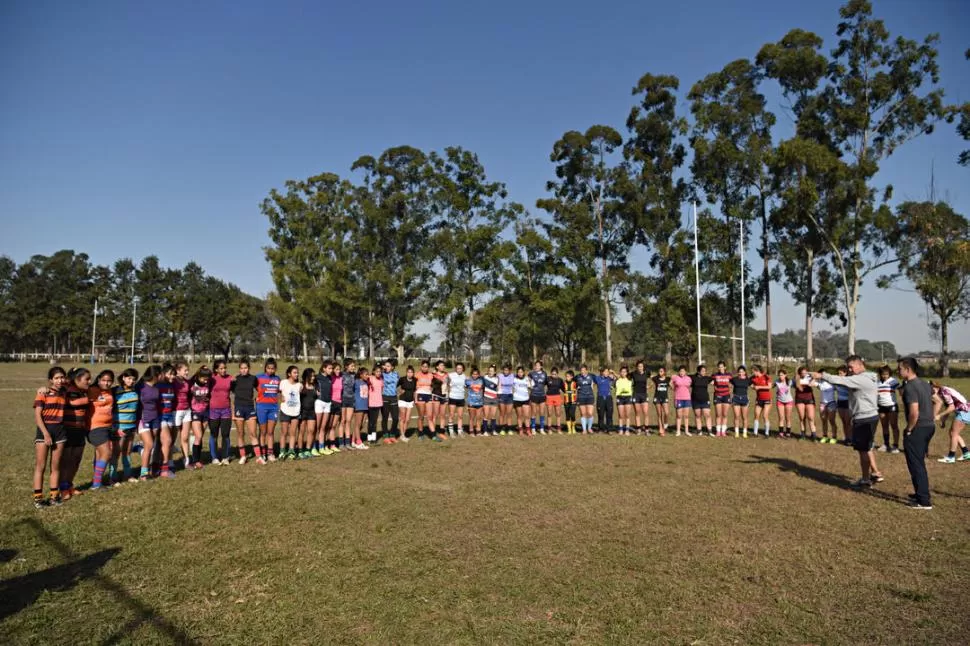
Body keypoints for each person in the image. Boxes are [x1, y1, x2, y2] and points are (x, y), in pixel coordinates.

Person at [813, 356, 884, 488]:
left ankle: (865, 479)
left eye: (851, 367)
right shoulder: (869, 376)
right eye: (848, 367)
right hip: (870, 416)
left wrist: (821, 375)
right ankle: (875, 472)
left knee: (863, 450)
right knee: (867, 447)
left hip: (864, 418)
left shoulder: (860, 378)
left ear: (860, 364)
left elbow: (840, 380)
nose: (849, 370)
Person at [898, 358, 935, 509]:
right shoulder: (925, 384)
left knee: (916, 464)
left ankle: (923, 501)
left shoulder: (910, 387)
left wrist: (909, 429)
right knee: (918, 462)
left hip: (917, 429)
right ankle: (921, 493)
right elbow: (938, 400)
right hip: (929, 427)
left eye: (899, 369)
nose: (898, 372)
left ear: (908, 369)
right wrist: (932, 416)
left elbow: (914, 412)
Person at [33, 367, 67, 507]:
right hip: (44, 430)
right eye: (57, 378)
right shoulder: (43, 393)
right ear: (51, 380)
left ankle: (54, 496)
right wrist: (46, 433)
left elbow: (75, 379)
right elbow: (37, 416)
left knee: (56, 466)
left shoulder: (65, 392)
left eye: (62, 377)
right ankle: (38, 499)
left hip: (60, 431)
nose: (60, 380)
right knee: (40, 466)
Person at [59, 368, 92, 498]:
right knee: (66, 460)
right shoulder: (68, 390)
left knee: (76, 460)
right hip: (68, 430)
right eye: (87, 379)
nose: (89, 381)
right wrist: (86, 401)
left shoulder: (84, 392)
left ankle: (69, 485)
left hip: (80, 431)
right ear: (77, 379)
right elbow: (68, 402)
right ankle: (62, 488)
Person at [87, 370, 116, 488]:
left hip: (107, 427)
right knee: (106, 453)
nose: (106, 383)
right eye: (104, 380)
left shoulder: (110, 391)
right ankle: (96, 484)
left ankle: (97, 481)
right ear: (98, 380)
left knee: (100, 454)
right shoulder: (91, 390)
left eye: (109, 381)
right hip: (95, 427)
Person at [111, 368, 139, 483]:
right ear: (123, 378)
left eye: (133, 379)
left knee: (127, 452)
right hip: (119, 427)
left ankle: (127, 475)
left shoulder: (136, 390)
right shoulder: (115, 391)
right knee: (116, 452)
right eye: (129, 378)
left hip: (131, 427)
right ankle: (112, 477)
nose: (131, 381)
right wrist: (114, 427)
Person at [932, 382, 970, 463]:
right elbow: (948, 407)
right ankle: (966, 453)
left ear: (935, 387)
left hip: (964, 410)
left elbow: (951, 407)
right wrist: (943, 420)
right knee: (953, 433)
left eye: (931, 389)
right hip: (964, 410)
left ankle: (951, 457)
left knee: (953, 433)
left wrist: (939, 415)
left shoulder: (944, 391)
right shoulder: (942, 392)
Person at [233, 360, 262, 463]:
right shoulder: (235, 380)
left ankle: (259, 457)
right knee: (240, 433)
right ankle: (243, 456)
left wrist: (258, 397)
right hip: (239, 408)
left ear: (249, 368)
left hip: (250, 408)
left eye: (245, 368)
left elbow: (260, 390)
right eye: (241, 368)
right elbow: (231, 391)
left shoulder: (253, 379)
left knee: (253, 433)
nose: (243, 370)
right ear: (239, 369)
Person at [135, 366, 161, 481]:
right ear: (155, 375)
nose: (162, 376)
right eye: (160, 374)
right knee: (149, 444)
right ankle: (143, 473)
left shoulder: (157, 387)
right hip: (143, 419)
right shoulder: (140, 387)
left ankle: (151, 467)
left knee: (152, 445)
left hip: (155, 418)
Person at [207, 360, 234, 465]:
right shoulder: (211, 379)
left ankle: (225, 457)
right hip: (213, 410)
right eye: (221, 368)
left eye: (225, 368)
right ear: (216, 369)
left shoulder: (230, 378)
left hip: (226, 410)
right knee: (214, 434)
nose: (223, 370)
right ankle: (214, 457)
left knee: (225, 434)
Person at [256, 359, 281, 462]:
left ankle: (270, 453)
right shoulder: (258, 378)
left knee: (270, 432)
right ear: (265, 368)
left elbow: (281, 391)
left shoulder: (277, 379)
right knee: (263, 432)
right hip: (261, 407)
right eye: (268, 368)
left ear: (275, 369)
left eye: (272, 368)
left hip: (273, 408)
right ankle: (262, 453)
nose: (270, 370)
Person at [189, 367, 213, 468]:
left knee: (200, 436)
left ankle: (198, 458)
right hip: (195, 412)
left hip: (206, 412)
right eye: (204, 378)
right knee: (198, 436)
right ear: (198, 376)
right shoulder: (192, 383)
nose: (206, 380)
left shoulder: (208, 383)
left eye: (207, 378)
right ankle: (195, 461)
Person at [278, 365, 302, 459]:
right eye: (294, 372)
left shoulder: (299, 385)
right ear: (289, 374)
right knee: (284, 433)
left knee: (293, 433)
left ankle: (291, 451)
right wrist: (281, 397)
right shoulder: (283, 382)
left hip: (296, 412)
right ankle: (282, 451)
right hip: (285, 411)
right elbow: (279, 392)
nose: (297, 374)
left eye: (297, 372)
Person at [876, 365, 901, 453]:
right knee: (884, 426)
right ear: (880, 374)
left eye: (887, 374)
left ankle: (895, 445)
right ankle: (886, 444)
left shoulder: (893, 381)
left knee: (894, 426)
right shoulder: (877, 382)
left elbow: (901, 390)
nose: (885, 376)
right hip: (881, 406)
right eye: (883, 374)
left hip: (892, 406)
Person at [173, 362, 193, 468]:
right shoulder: (173, 381)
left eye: (187, 370)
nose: (187, 372)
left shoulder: (187, 382)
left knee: (185, 438)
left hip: (187, 411)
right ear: (178, 370)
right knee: (171, 439)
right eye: (185, 370)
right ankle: (168, 462)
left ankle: (186, 461)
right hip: (176, 412)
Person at [313, 360, 334, 456]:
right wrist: (315, 391)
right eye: (329, 368)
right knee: (316, 427)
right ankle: (313, 447)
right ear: (324, 368)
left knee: (323, 427)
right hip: (319, 403)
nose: (331, 370)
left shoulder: (330, 378)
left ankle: (321, 447)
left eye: (332, 368)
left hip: (328, 403)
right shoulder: (317, 377)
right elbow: (308, 383)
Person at [814, 372, 838, 444]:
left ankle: (834, 437)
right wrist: (814, 377)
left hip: (831, 403)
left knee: (832, 420)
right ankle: (825, 436)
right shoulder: (820, 382)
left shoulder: (833, 383)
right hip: (823, 404)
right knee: (824, 420)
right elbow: (811, 383)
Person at [298, 368, 317, 458]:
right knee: (301, 431)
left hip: (312, 411)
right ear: (306, 376)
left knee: (311, 431)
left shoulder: (315, 386)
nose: (313, 378)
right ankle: (300, 451)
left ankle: (308, 450)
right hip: (302, 411)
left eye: (314, 376)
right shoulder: (301, 386)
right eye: (311, 376)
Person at [795, 367, 818, 441]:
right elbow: (799, 387)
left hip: (809, 399)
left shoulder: (810, 377)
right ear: (799, 373)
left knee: (811, 417)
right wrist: (797, 377)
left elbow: (815, 377)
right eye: (802, 373)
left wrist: (809, 373)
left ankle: (814, 435)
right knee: (802, 417)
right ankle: (803, 435)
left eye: (805, 372)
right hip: (799, 399)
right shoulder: (796, 378)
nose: (804, 374)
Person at [690, 365, 713, 436]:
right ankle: (699, 431)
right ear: (698, 371)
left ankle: (709, 431)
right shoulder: (693, 377)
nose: (704, 372)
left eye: (705, 371)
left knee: (707, 415)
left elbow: (715, 379)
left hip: (705, 400)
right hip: (695, 400)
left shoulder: (707, 378)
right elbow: (683, 376)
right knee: (698, 415)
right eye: (702, 371)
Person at [381, 360, 400, 442]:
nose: (386, 367)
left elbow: (399, 383)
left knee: (395, 418)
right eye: (385, 366)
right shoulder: (382, 374)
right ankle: (385, 435)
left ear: (392, 367)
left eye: (388, 366)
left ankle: (392, 434)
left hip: (394, 397)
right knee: (385, 417)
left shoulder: (396, 374)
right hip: (385, 397)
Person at [712, 361, 733, 437]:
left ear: (725, 367)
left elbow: (731, 384)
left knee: (724, 414)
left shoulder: (729, 375)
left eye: (722, 366)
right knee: (718, 414)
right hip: (717, 396)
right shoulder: (714, 375)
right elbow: (713, 383)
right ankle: (718, 431)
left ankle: (723, 431)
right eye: (719, 367)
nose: (720, 368)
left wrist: (729, 387)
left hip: (726, 396)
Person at [671, 366, 693, 437]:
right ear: (678, 371)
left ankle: (687, 431)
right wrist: (673, 388)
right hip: (678, 398)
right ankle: (678, 431)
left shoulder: (689, 378)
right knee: (679, 416)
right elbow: (670, 383)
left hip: (687, 398)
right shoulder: (675, 377)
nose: (682, 373)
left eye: (683, 371)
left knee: (686, 416)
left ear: (685, 372)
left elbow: (689, 387)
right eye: (680, 371)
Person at [750, 365, 772, 437]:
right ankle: (755, 433)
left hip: (767, 399)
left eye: (753, 371)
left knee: (765, 416)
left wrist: (759, 387)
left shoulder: (766, 377)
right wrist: (753, 387)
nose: (752, 373)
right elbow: (751, 384)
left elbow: (769, 386)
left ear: (757, 371)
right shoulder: (753, 378)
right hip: (759, 399)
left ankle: (767, 433)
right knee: (756, 415)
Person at [730, 366, 751, 438]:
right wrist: (731, 395)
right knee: (736, 416)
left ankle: (745, 432)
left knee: (744, 417)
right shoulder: (734, 379)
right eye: (739, 371)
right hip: (736, 398)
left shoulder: (748, 380)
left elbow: (754, 386)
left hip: (744, 398)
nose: (740, 373)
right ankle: (737, 432)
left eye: (742, 371)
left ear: (745, 372)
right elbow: (728, 384)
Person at [415, 361, 434, 439]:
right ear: (421, 366)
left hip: (429, 396)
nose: (424, 368)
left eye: (426, 366)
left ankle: (433, 435)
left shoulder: (431, 375)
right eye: (423, 366)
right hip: (420, 395)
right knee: (421, 416)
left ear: (428, 367)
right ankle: (420, 433)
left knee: (430, 416)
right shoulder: (416, 374)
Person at [446, 363, 466, 437]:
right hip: (453, 397)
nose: (459, 370)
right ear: (455, 369)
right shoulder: (450, 375)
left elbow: (466, 385)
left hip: (461, 398)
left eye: (460, 368)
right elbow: (446, 382)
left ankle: (459, 430)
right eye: (457, 368)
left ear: (463, 369)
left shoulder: (464, 376)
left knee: (460, 416)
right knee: (451, 415)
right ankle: (451, 431)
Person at [352, 368, 370, 449]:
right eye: (366, 374)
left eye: (368, 374)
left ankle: (353, 441)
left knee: (362, 425)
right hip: (358, 406)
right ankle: (359, 442)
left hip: (365, 406)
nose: (367, 376)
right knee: (357, 424)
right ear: (361, 375)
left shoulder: (366, 382)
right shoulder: (356, 382)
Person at [593, 367, 615, 433]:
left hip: (608, 398)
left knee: (609, 414)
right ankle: (601, 429)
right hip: (600, 398)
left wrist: (613, 372)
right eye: (605, 372)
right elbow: (592, 382)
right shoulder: (597, 378)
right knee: (600, 414)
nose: (607, 373)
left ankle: (609, 429)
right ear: (602, 372)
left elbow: (619, 377)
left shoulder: (610, 377)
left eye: (607, 372)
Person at [528, 361, 548, 434]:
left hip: (542, 395)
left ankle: (542, 428)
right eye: (536, 365)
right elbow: (528, 381)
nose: (537, 367)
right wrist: (529, 386)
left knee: (542, 412)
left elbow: (545, 383)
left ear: (541, 367)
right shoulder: (531, 374)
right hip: (534, 395)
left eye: (538, 365)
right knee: (534, 412)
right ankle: (533, 428)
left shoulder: (544, 374)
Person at [397, 366, 417, 441]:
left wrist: (415, 399)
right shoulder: (402, 379)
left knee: (408, 419)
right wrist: (398, 392)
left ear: (413, 373)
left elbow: (415, 390)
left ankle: (403, 434)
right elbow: (395, 386)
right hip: (402, 400)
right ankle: (402, 435)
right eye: (408, 372)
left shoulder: (415, 380)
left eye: (411, 372)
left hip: (410, 401)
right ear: (406, 372)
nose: (410, 374)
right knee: (403, 418)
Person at [834, 366, 853, 445]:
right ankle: (846, 438)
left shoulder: (849, 382)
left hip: (848, 402)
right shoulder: (837, 382)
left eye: (841, 373)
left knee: (848, 422)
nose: (839, 374)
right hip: (840, 402)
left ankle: (851, 439)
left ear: (845, 373)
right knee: (844, 422)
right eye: (838, 373)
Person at [575, 365, 596, 434]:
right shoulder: (577, 377)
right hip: (581, 397)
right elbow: (571, 382)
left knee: (590, 413)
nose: (582, 372)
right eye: (581, 370)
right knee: (583, 414)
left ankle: (589, 428)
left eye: (584, 370)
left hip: (590, 396)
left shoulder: (592, 376)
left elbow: (598, 380)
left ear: (587, 370)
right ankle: (584, 429)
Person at [774, 369, 794, 438]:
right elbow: (770, 386)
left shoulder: (790, 382)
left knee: (788, 418)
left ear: (785, 375)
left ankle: (788, 433)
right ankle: (781, 433)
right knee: (781, 418)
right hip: (780, 401)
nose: (780, 376)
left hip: (789, 401)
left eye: (782, 375)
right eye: (779, 375)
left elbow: (797, 383)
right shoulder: (776, 381)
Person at [367, 366, 384, 444]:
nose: (378, 373)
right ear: (373, 372)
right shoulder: (370, 378)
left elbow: (381, 390)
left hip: (378, 404)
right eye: (377, 371)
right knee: (371, 422)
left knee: (374, 422)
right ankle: (369, 438)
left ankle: (373, 439)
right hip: (370, 403)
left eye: (380, 371)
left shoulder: (381, 380)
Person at [632, 360, 650, 434]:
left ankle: (646, 429)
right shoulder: (633, 374)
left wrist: (649, 386)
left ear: (643, 367)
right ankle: (638, 429)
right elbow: (623, 376)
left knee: (645, 412)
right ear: (636, 367)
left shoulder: (646, 374)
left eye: (641, 366)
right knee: (637, 413)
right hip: (636, 394)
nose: (640, 368)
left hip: (644, 395)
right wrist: (613, 374)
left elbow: (654, 379)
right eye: (639, 366)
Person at [465, 367, 485, 436]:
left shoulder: (481, 380)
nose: (475, 375)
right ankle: (471, 431)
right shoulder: (468, 380)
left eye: (476, 374)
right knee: (472, 418)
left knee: (478, 417)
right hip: (471, 402)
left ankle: (478, 430)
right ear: (471, 374)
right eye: (473, 374)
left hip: (480, 402)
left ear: (478, 374)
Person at [512, 367, 532, 436]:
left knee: (526, 416)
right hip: (517, 399)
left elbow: (531, 387)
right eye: (518, 372)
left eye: (521, 372)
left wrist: (530, 382)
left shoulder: (527, 379)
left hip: (526, 399)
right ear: (517, 373)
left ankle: (528, 430)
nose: (520, 373)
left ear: (523, 372)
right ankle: (520, 430)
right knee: (519, 416)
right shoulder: (514, 379)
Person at [614, 366, 633, 435]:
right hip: (620, 398)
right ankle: (621, 429)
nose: (623, 373)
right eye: (622, 372)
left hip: (628, 397)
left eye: (624, 372)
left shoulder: (630, 380)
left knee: (627, 415)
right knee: (621, 415)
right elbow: (612, 387)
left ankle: (627, 430)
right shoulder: (617, 380)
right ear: (620, 372)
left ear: (627, 373)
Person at [545, 367, 564, 433]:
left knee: (558, 414)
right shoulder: (547, 379)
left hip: (557, 397)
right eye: (552, 374)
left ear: (557, 374)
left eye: (555, 374)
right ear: (550, 374)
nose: (553, 375)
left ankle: (559, 429)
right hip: (549, 397)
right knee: (549, 414)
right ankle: (549, 429)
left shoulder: (560, 380)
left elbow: (564, 389)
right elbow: (542, 385)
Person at [482, 365, 499, 436]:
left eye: (492, 371)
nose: (490, 372)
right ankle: (485, 431)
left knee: (493, 416)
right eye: (489, 370)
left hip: (494, 399)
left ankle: (493, 430)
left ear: (495, 372)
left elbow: (498, 388)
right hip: (486, 398)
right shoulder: (484, 377)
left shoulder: (497, 378)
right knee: (486, 415)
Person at [498, 365, 515, 435]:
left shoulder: (513, 376)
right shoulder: (500, 375)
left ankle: (509, 429)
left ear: (510, 370)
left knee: (509, 413)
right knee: (502, 413)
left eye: (507, 370)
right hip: (502, 395)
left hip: (510, 396)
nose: (505, 371)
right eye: (504, 370)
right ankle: (502, 429)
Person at [652, 367, 670, 436]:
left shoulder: (668, 379)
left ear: (664, 372)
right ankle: (661, 429)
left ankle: (665, 423)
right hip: (657, 398)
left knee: (666, 413)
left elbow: (672, 386)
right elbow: (651, 382)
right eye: (659, 371)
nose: (660, 372)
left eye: (662, 371)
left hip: (665, 398)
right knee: (659, 414)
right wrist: (648, 387)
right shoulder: (655, 379)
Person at [563, 370, 578, 434]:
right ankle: (569, 429)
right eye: (566, 376)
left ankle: (573, 427)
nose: (567, 377)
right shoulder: (563, 383)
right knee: (567, 415)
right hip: (566, 401)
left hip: (573, 401)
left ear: (572, 377)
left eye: (568, 376)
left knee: (572, 414)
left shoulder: (575, 383)